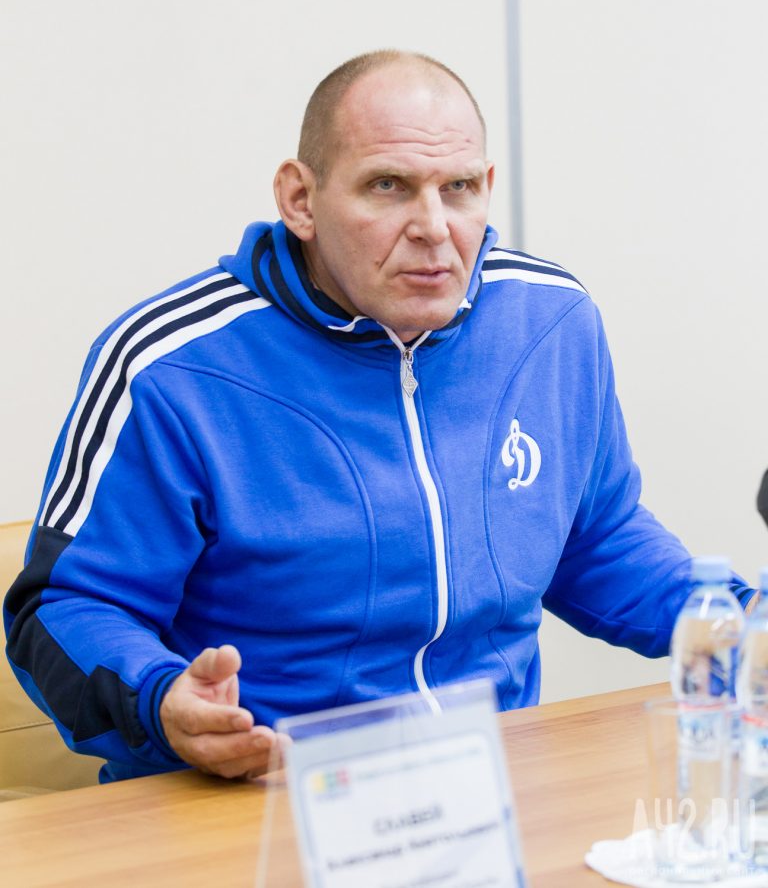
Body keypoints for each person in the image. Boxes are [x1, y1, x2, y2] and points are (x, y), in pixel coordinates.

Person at [3, 50, 754, 784]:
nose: (434, 227)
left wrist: (739, 628)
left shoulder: (551, 321)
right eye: (388, 186)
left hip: (487, 791)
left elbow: (596, 538)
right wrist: (162, 700)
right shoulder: (170, 367)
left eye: (459, 188)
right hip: (257, 791)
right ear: (300, 200)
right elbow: (62, 609)